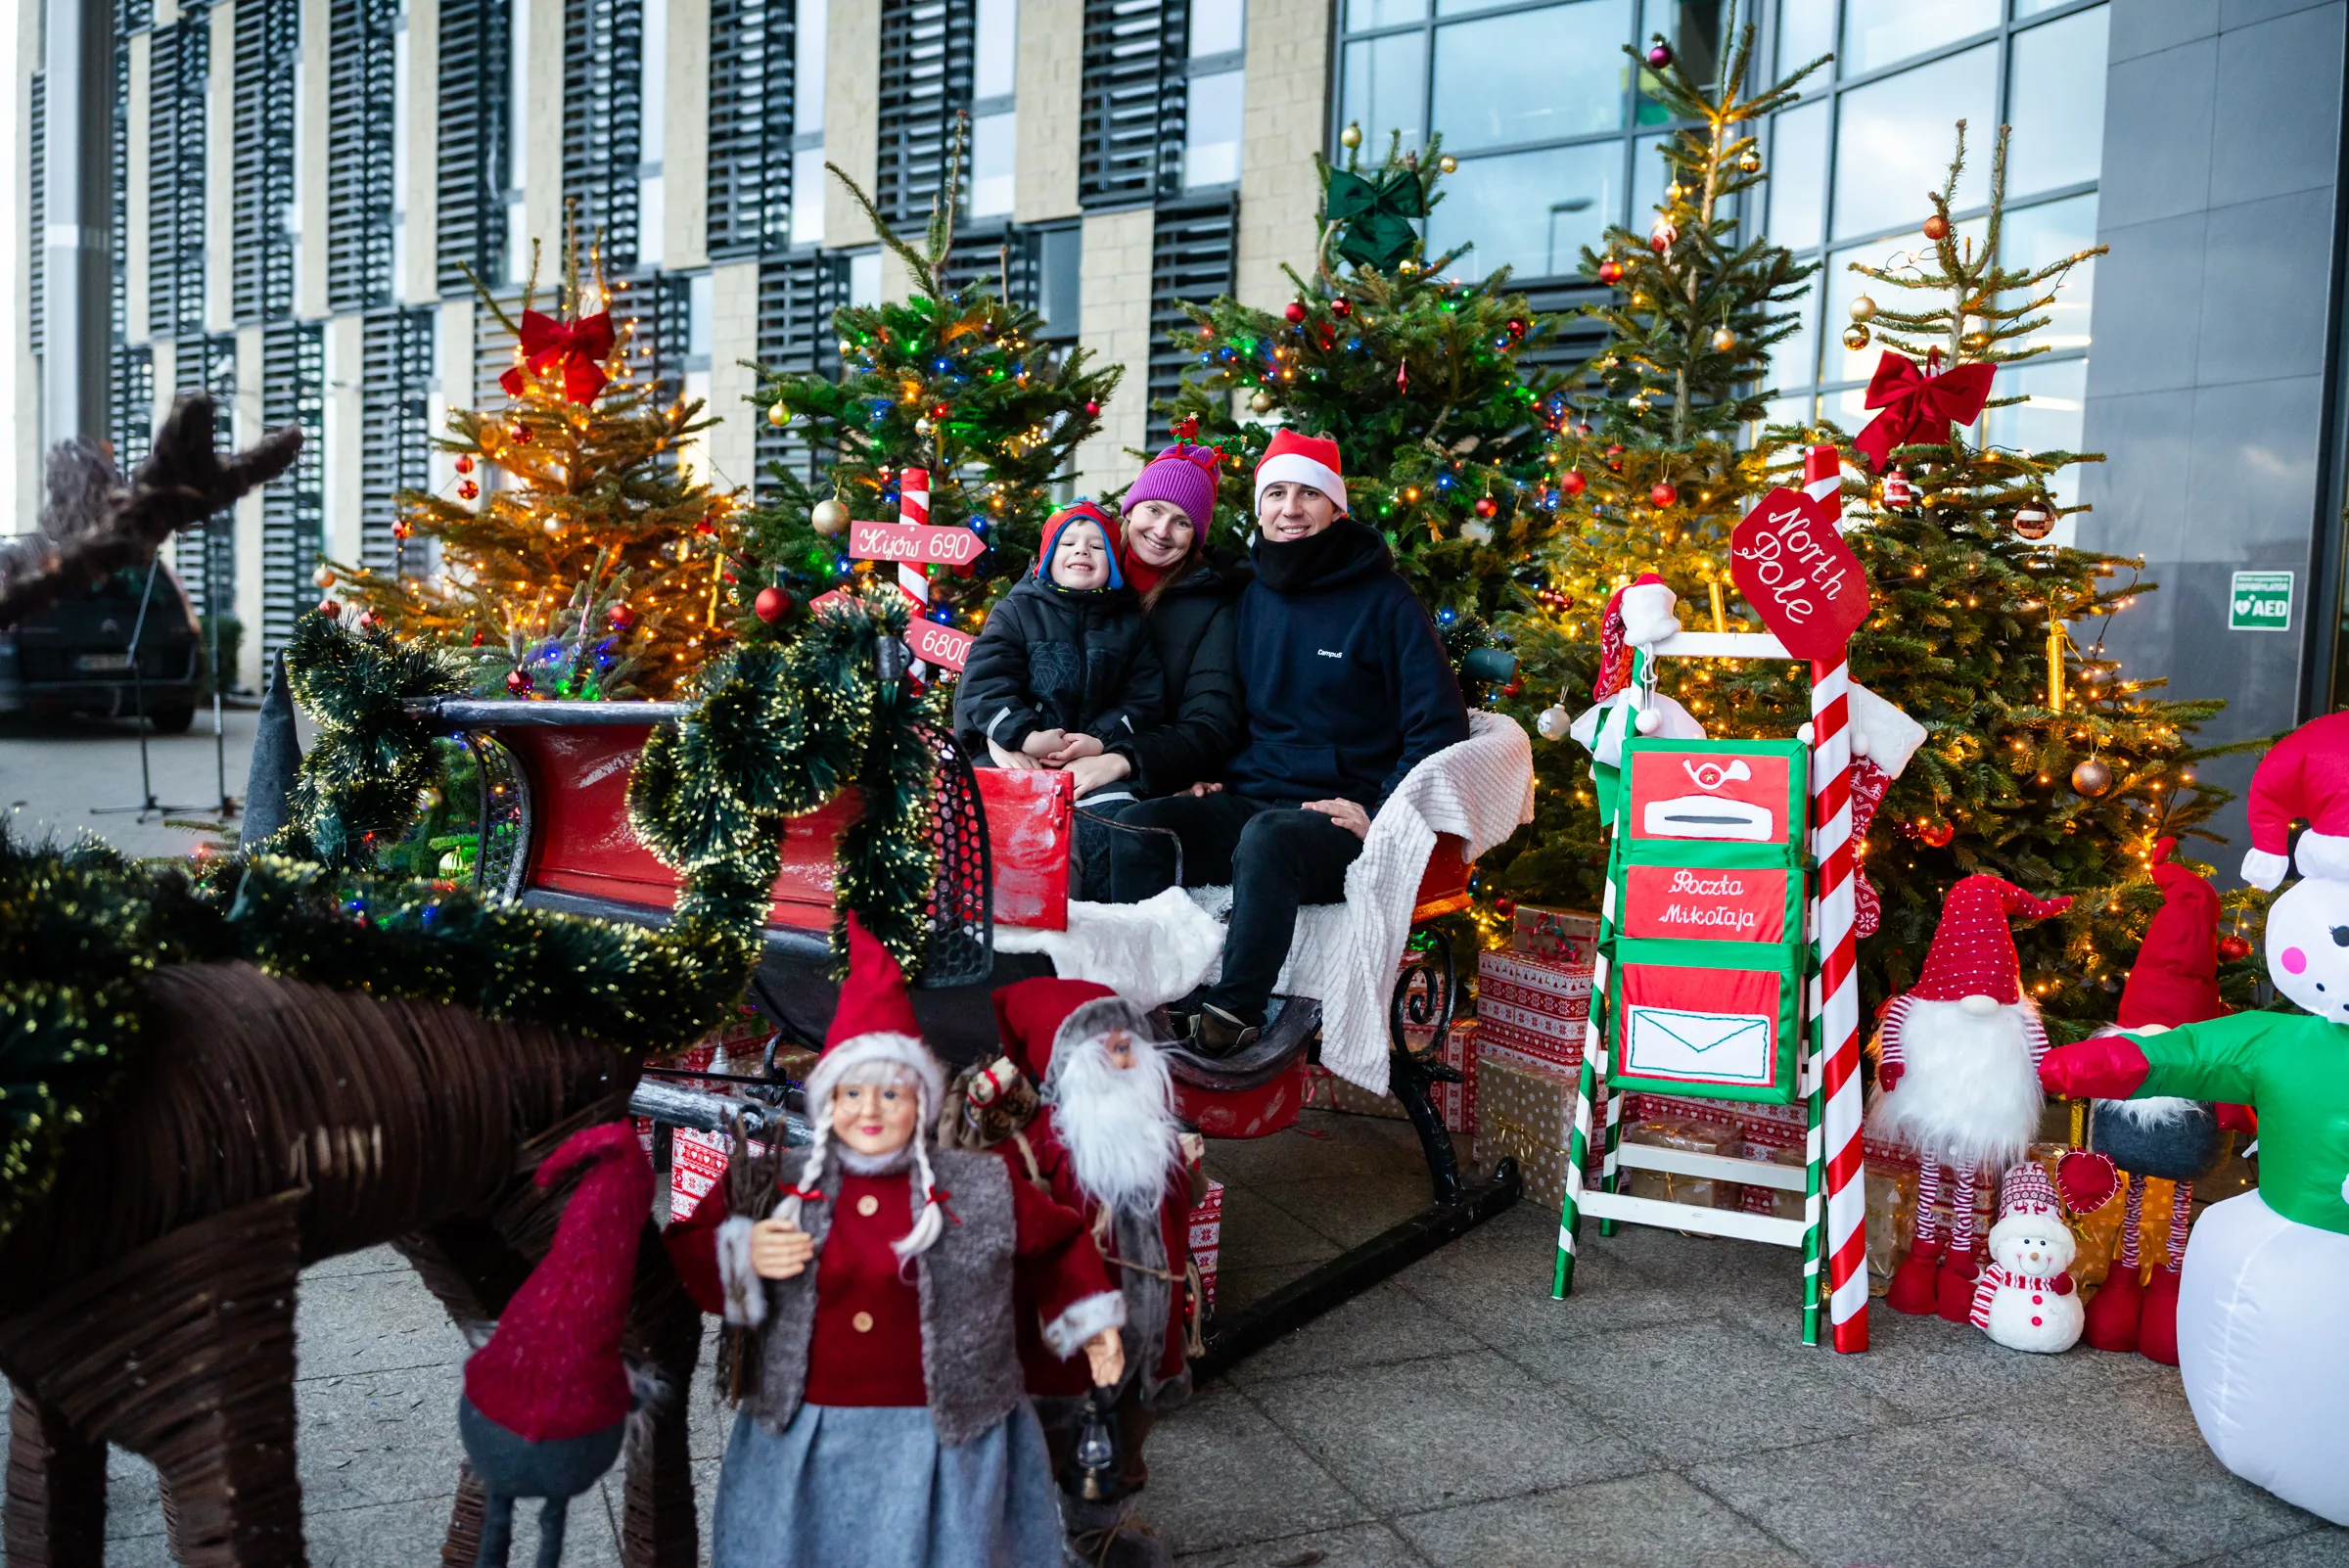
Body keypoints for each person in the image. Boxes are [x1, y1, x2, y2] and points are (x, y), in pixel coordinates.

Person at [664, 917, 1128, 1568]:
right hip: (807, 1433)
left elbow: (1056, 1243)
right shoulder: (779, 1184)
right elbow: (687, 1244)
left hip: (950, 1434)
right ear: (828, 1101)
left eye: (892, 1092)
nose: (871, 1110)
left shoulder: (975, 1185)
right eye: (852, 1092)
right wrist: (742, 1254)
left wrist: (1092, 1326)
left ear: (923, 1099)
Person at [1106, 431, 1470, 1053]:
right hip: (1252, 796)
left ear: (1337, 510)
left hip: (1332, 816)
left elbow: (1439, 727)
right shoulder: (1248, 595)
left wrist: (1379, 815)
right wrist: (1205, 772)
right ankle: (1136, 995)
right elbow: (1223, 705)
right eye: (1276, 493)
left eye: (1309, 494)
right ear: (1258, 507)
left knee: (1270, 838)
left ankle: (1236, 1013)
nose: (1291, 509)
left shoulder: (1386, 601)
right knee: (1138, 826)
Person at [990, 978, 1203, 1568]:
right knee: (1055, 1436)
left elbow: (1180, 1207)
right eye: (1106, 1048)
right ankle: (1026, 1533)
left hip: (1152, 1324)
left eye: (1128, 1043)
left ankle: (1102, 1533)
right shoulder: (1039, 1148)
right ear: (1067, 1065)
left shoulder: (1153, 1142)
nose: (1124, 1056)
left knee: (1128, 1435)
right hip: (1068, 1332)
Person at [1063, 442, 1246, 806]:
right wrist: (1005, 736)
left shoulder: (1212, 605)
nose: (1162, 531)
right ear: (1131, 508)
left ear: (1196, 535)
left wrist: (1126, 759)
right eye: (1154, 509)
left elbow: (1212, 720)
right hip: (1045, 750)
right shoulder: (1073, 558)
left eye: (1182, 522)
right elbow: (999, 657)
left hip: (1128, 778)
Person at [953, 500, 1165, 780]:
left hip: (1093, 762)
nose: (1081, 550)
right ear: (1049, 557)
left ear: (1112, 565)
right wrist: (1022, 735)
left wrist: (1100, 739)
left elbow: (1144, 699)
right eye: (1067, 543)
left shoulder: (1128, 624)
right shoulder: (1017, 612)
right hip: (1017, 753)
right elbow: (983, 684)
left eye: (1097, 547)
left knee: (1112, 813)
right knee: (993, 806)